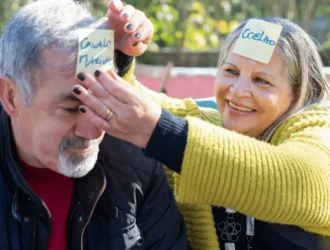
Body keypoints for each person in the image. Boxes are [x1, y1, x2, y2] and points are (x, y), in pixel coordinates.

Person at [73, 6, 330, 250]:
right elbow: (123, 102)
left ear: (297, 94)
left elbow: (296, 177)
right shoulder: (205, 123)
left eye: (261, 81)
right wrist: (117, 48)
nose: (238, 91)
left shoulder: (318, 131)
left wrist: (160, 132)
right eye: (231, 71)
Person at [0, 1, 190, 249]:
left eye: (102, 101)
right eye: (71, 108)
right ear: (11, 96)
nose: (94, 130)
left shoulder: (139, 165)